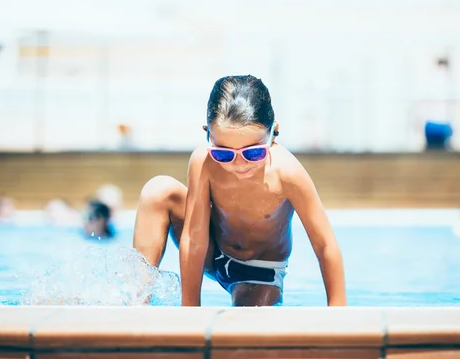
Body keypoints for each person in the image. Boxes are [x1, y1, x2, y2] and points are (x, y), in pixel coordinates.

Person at [133, 75, 347, 307]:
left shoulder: (287, 173)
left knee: (249, 325)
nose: (239, 164)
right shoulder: (203, 163)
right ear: (208, 135)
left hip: (258, 272)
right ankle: (136, 301)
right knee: (157, 190)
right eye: (223, 153)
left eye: (253, 153)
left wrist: (338, 312)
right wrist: (190, 309)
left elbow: (325, 245)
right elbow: (195, 239)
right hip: (212, 252)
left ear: (274, 133)